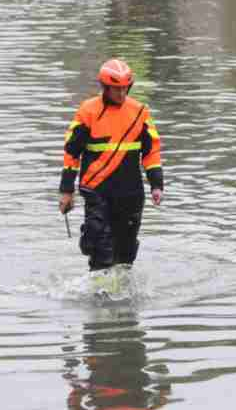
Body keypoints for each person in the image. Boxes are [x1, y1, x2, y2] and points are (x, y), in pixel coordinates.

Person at [59, 59, 164, 272]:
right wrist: (66, 191)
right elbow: (71, 152)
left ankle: (123, 296)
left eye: (125, 88)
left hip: (130, 192)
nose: (122, 94)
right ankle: (99, 293)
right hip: (97, 190)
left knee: (126, 253)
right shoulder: (88, 111)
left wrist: (156, 184)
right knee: (100, 246)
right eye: (117, 89)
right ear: (105, 88)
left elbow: (151, 150)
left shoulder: (140, 112)